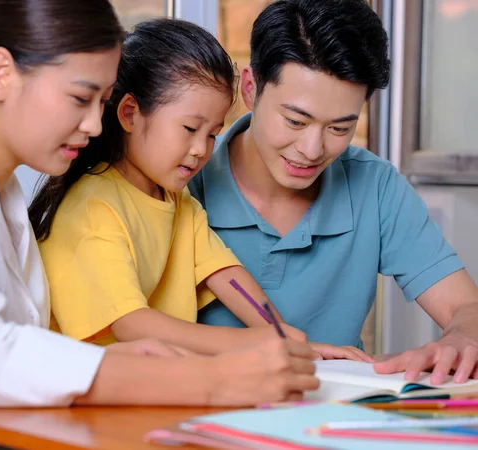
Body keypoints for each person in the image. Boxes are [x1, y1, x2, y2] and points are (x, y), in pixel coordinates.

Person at [0, 2, 320, 450]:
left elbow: (21, 347)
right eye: (79, 98)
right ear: (1, 74)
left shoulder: (3, 187)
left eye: (101, 102)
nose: (94, 125)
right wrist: (210, 378)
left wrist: (109, 360)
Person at [29, 18, 369, 361]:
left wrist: (284, 337)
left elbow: (225, 275)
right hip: (96, 396)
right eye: (190, 128)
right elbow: (133, 324)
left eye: (211, 134)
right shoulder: (93, 209)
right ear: (130, 114)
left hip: (158, 385)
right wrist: (261, 344)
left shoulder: (178, 201)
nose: (201, 149)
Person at [189, 0, 478, 385]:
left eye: (339, 128)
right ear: (250, 87)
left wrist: (462, 339)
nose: (312, 149)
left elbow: (465, 306)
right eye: (295, 120)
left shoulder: (374, 186)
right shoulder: (184, 181)